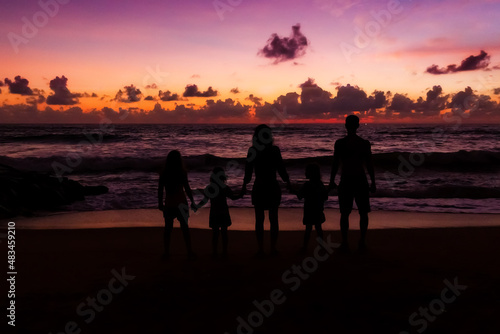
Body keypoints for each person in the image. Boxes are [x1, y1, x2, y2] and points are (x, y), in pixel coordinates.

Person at [329, 115, 376, 253]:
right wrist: (373, 181)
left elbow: (335, 164)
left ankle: (345, 242)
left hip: (347, 179)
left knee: (344, 213)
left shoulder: (340, 143)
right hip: (360, 179)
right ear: (358, 126)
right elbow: (369, 165)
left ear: (345, 125)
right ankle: (362, 241)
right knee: (363, 212)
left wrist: (332, 180)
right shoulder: (364, 143)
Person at [243, 124, 291, 257]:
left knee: (259, 219)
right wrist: (289, 183)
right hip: (272, 186)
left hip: (259, 186)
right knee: (273, 219)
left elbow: (248, 173)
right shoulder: (274, 150)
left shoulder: (253, 151)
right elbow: (281, 169)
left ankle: (261, 249)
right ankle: (273, 248)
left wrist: (243, 187)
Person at [194, 167, 244, 258]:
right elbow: (233, 197)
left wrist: (197, 206)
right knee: (224, 232)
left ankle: (215, 252)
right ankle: (224, 252)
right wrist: (241, 195)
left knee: (215, 233)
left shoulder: (210, 188)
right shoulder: (225, 188)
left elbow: (205, 200)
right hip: (224, 211)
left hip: (214, 212)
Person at [158, 150, 197, 260]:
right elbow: (187, 188)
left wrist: (160, 203)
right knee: (185, 228)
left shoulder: (164, 173)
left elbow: (160, 190)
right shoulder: (181, 172)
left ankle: (166, 252)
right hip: (181, 202)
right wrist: (192, 202)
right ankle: (189, 251)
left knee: (168, 229)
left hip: (169, 203)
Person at [295, 163, 328, 253]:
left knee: (308, 229)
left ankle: (305, 247)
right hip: (318, 209)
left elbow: (300, 196)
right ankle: (321, 247)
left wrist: (293, 189)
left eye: (307, 171)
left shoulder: (307, 185)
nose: (305, 173)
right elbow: (325, 196)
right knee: (318, 228)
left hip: (309, 209)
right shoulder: (320, 184)